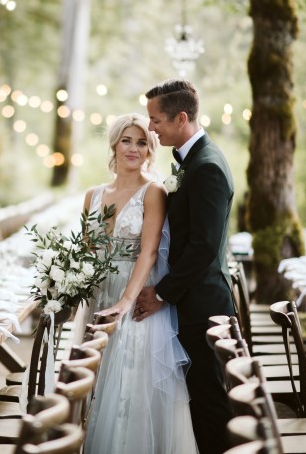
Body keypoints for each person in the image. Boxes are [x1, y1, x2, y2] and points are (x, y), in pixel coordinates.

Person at [83, 113, 198, 454]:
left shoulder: (154, 192)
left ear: (149, 150)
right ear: (114, 144)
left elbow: (148, 253)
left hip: (137, 296)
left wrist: (125, 303)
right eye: (126, 140)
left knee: (130, 382)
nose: (133, 148)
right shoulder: (91, 196)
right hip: (99, 296)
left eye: (141, 142)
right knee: (98, 380)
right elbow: (86, 253)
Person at [135, 79, 236, 454]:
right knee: (202, 400)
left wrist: (162, 292)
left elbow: (204, 247)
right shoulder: (194, 160)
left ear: (181, 118)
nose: (151, 129)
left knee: (210, 404)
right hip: (194, 303)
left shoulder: (206, 166)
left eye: (156, 120)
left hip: (203, 307)